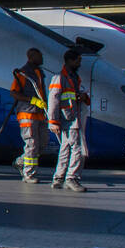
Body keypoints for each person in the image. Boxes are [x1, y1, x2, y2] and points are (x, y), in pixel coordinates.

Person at [48, 48, 91, 192]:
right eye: (78, 60)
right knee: (77, 148)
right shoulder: (60, 78)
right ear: (70, 61)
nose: (79, 63)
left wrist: (81, 96)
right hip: (69, 119)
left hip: (70, 117)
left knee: (65, 148)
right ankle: (72, 178)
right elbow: (53, 99)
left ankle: (58, 178)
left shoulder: (73, 77)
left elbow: (68, 97)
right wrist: (52, 121)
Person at [10, 48, 49, 183]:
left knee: (42, 144)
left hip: (39, 113)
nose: (42, 58)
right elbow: (14, 93)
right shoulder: (23, 73)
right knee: (31, 144)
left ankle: (21, 161)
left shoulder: (39, 72)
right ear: (31, 57)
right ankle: (29, 174)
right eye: (40, 56)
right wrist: (31, 100)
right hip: (27, 113)